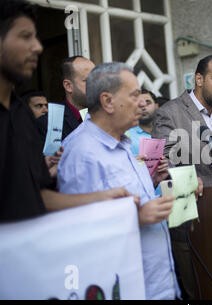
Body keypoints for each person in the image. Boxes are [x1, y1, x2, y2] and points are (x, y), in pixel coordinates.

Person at [57, 62, 191, 300]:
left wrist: (153, 182)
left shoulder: (124, 144)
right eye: (135, 95)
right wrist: (135, 219)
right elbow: (77, 233)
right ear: (108, 101)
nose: (142, 103)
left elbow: (127, 200)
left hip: (161, 285)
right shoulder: (81, 153)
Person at [0, 0, 132, 222]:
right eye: (25, 36)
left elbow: (38, 196)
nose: (38, 47)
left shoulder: (21, 114)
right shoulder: (46, 120)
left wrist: (104, 197)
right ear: (67, 86)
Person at [152, 54, 212, 299]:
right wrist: (188, 179)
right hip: (190, 221)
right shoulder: (170, 113)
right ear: (198, 79)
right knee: (199, 294)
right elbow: (162, 162)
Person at [37, 55, 95, 144]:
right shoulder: (52, 123)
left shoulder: (105, 115)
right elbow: (53, 156)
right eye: (88, 80)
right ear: (68, 86)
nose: (96, 85)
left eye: (96, 80)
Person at [126, 89, 158, 156]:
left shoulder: (167, 131)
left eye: (147, 102)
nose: (143, 106)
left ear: (156, 106)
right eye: (138, 103)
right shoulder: (125, 135)